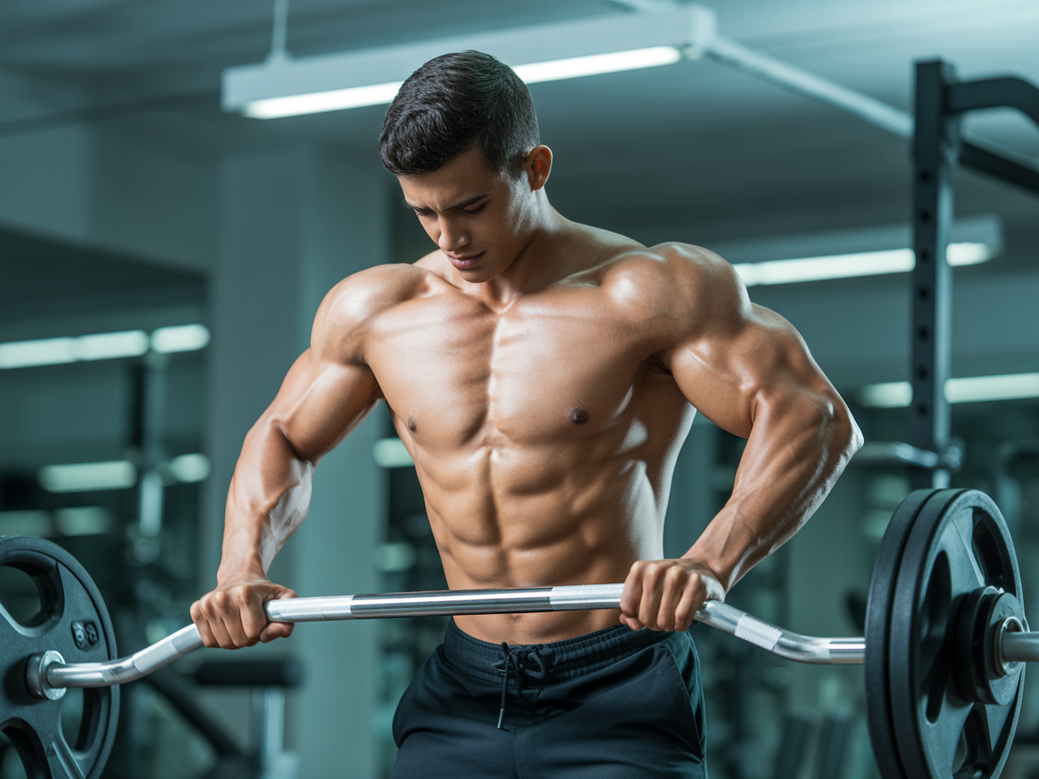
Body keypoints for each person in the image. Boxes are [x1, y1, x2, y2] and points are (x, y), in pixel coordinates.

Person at [191, 51, 862, 777]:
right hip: (461, 682)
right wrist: (240, 566)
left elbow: (813, 417)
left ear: (534, 167)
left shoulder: (646, 293)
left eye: (470, 206)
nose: (448, 239)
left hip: (617, 683)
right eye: (423, 212)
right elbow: (284, 434)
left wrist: (708, 561)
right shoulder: (377, 311)